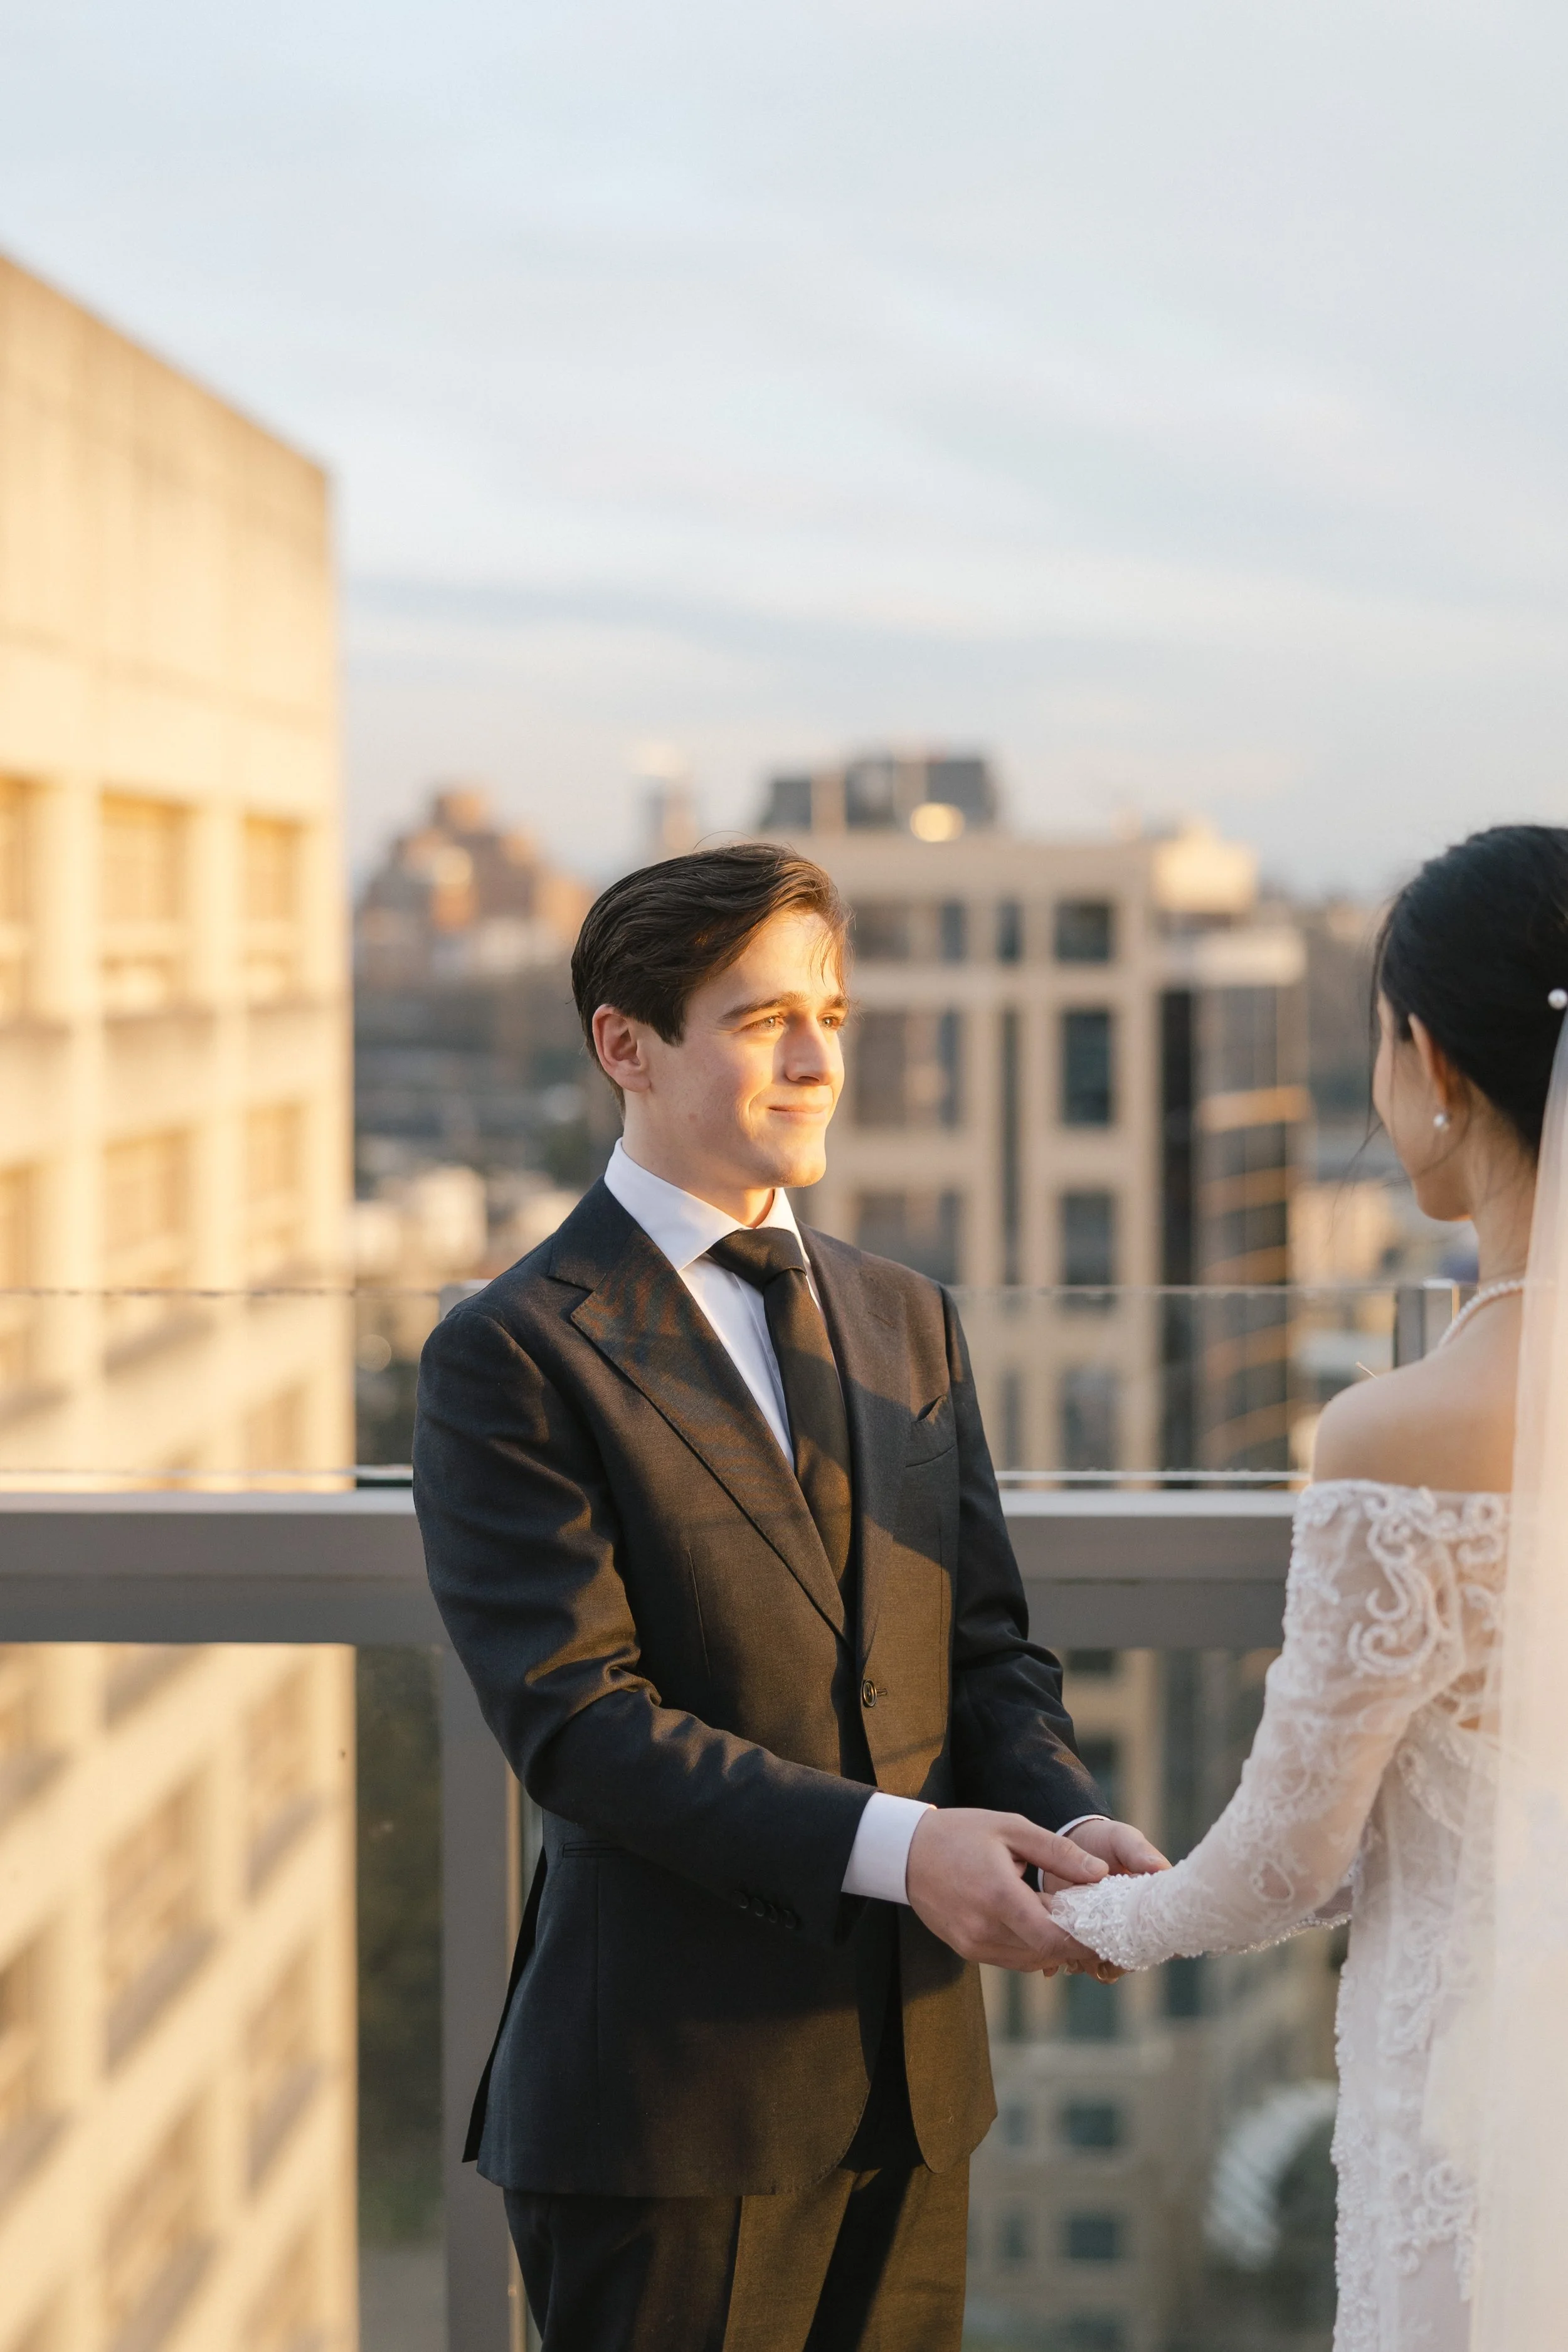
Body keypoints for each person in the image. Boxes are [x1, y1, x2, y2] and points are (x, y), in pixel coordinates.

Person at [413, 842, 1167, 2352]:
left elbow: (983, 1649)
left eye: (833, 1012)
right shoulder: (508, 1352)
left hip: (909, 2092)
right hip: (665, 2118)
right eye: (763, 1020)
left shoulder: (905, 1319)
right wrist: (905, 1852)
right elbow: (579, 1726)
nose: (817, 1059)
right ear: (624, 1046)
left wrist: (1064, 1821)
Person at [1050, 823, 1568, 2350]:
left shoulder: (1399, 1433)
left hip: (1477, 2095)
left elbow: (1288, 1856)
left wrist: (1096, 1924)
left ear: (1430, 1064)